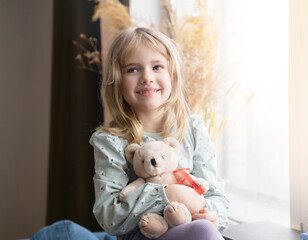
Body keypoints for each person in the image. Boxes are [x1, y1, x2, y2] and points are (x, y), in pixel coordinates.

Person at [90, 27, 230, 240]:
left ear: (172, 74)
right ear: (117, 81)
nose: (147, 77)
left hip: (194, 229)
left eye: (157, 67)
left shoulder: (192, 129)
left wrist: (212, 215)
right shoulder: (110, 141)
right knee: (202, 232)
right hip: (143, 236)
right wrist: (168, 195)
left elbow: (217, 197)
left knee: (203, 229)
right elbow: (109, 217)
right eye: (133, 70)